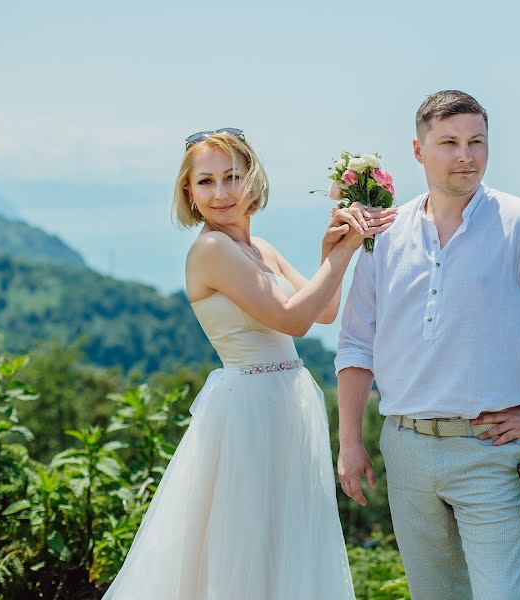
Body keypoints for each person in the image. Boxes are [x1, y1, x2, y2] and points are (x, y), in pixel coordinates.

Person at [335, 91, 520, 599]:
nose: (466, 154)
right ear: (418, 151)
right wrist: (350, 442)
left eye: (476, 141)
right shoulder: (386, 233)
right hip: (404, 447)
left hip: (489, 452)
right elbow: (356, 343)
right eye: (449, 142)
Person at [103, 128, 397, 599]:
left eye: (232, 177)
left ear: (253, 181)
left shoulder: (263, 249)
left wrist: (328, 251)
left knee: (284, 543)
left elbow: (322, 310)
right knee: (245, 544)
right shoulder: (211, 250)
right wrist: (343, 254)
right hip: (248, 412)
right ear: (189, 194)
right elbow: (293, 320)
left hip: (287, 403)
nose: (220, 193)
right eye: (205, 182)